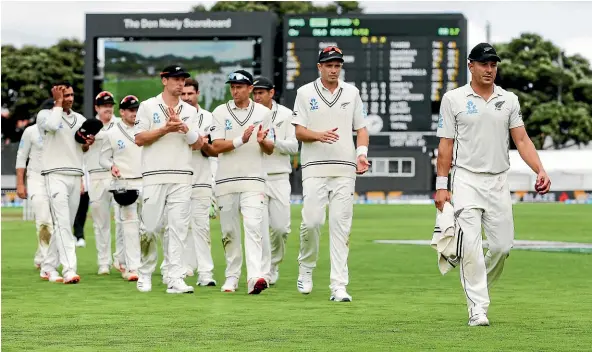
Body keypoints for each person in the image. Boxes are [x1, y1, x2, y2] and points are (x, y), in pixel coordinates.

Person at [434, 43, 551, 326]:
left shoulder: (508, 100)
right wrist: (441, 184)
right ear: (471, 66)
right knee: (471, 247)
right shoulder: (453, 99)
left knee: (502, 247)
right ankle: (477, 307)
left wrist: (540, 169)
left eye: (494, 65)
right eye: (484, 64)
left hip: (499, 181)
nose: (490, 70)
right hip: (466, 180)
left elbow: (521, 140)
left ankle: (476, 284)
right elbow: (446, 144)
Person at [291, 46, 370, 302]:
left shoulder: (352, 92)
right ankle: (306, 268)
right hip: (314, 168)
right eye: (329, 65)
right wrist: (318, 135)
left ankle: (339, 286)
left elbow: (362, 128)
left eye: (337, 65)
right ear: (320, 67)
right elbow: (299, 132)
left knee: (340, 227)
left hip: (345, 169)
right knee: (312, 222)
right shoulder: (304, 93)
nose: (334, 70)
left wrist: (361, 153)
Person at [134, 65, 205, 294]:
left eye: (183, 79)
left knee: (178, 228)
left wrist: (185, 129)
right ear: (164, 80)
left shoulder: (191, 111)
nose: (180, 83)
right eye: (175, 79)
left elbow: (197, 144)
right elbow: (139, 138)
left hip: (182, 175)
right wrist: (165, 129)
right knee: (150, 228)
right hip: (154, 174)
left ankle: (174, 277)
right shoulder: (147, 106)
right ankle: (144, 273)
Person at [210, 70, 274, 294]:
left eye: (239, 87)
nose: (235, 91)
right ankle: (232, 276)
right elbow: (216, 146)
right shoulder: (219, 112)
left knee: (254, 227)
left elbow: (270, 147)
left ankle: (255, 277)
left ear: (249, 89)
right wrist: (241, 140)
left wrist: (262, 141)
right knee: (229, 232)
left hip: (253, 179)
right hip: (226, 180)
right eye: (232, 87)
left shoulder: (263, 112)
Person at [37, 81, 95, 284]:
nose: (69, 98)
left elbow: (81, 147)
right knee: (62, 223)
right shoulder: (45, 115)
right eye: (64, 95)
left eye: (70, 95)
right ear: (55, 95)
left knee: (66, 224)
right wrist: (58, 104)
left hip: (74, 174)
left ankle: (48, 266)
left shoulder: (79, 119)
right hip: (54, 175)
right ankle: (69, 269)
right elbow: (53, 126)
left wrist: (87, 144)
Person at [252, 76, 299, 285]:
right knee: (260, 229)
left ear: (271, 93)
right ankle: (263, 272)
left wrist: (273, 142)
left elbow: (295, 147)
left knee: (281, 229)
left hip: (279, 177)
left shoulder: (287, 115)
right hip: (256, 178)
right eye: (255, 93)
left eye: (261, 92)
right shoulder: (249, 114)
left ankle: (274, 265)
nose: (257, 97)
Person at [99, 95, 143, 282]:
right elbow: (103, 158)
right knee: (130, 227)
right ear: (122, 112)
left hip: (147, 181)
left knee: (149, 228)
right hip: (125, 183)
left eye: (136, 110)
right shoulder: (112, 133)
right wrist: (111, 166)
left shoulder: (146, 129)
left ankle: (146, 264)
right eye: (131, 110)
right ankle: (133, 268)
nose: (134, 113)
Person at [180, 78, 218, 286]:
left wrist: (198, 141)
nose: (186, 98)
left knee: (201, 227)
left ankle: (206, 273)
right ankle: (184, 267)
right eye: (183, 94)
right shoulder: (175, 115)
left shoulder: (208, 117)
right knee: (179, 226)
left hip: (203, 178)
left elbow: (211, 149)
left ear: (197, 94)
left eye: (190, 94)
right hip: (180, 178)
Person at [85, 91, 123, 275]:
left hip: (117, 175)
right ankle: (103, 262)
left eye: (110, 104)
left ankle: (121, 258)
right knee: (100, 222)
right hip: (95, 176)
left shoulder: (120, 125)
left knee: (123, 219)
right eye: (103, 105)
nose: (108, 108)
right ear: (97, 108)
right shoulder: (89, 125)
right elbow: (81, 150)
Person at [15, 119, 51, 270]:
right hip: (35, 177)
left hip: (56, 177)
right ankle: (48, 264)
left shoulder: (60, 129)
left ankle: (41, 256)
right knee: (43, 220)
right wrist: (20, 184)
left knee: (55, 222)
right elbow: (21, 156)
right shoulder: (31, 131)